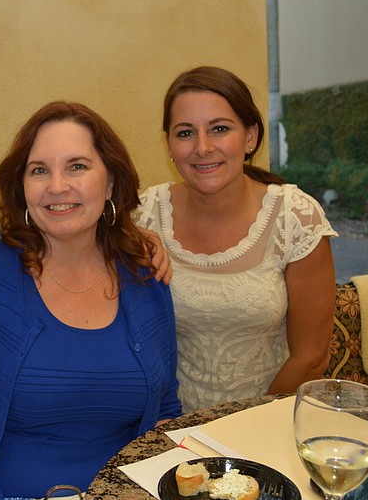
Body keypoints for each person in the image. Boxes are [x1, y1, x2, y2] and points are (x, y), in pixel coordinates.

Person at [0, 101, 182, 500]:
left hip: (124, 498)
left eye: (77, 166)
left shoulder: (144, 274)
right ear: (22, 187)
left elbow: (165, 405)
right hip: (7, 499)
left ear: (110, 184)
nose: (57, 186)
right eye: (39, 170)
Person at [134, 66, 337, 414]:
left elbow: (311, 357)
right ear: (169, 144)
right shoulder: (142, 216)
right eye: (186, 132)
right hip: (167, 426)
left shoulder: (296, 218)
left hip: (267, 422)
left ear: (250, 137)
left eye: (219, 129)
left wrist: (244, 430)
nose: (202, 147)